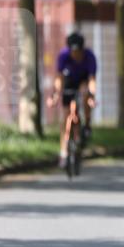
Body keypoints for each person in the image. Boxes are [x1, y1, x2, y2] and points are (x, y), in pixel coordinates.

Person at [47, 32, 97, 169]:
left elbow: (92, 79)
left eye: (78, 51)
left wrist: (92, 95)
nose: (76, 54)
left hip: (83, 81)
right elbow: (59, 78)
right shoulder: (63, 56)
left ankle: (86, 124)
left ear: (82, 49)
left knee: (86, 92)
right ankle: (63, 153)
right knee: (65, 118)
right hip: (69, 82)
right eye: (73, 51)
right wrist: (56, 94)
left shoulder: (89, 57)